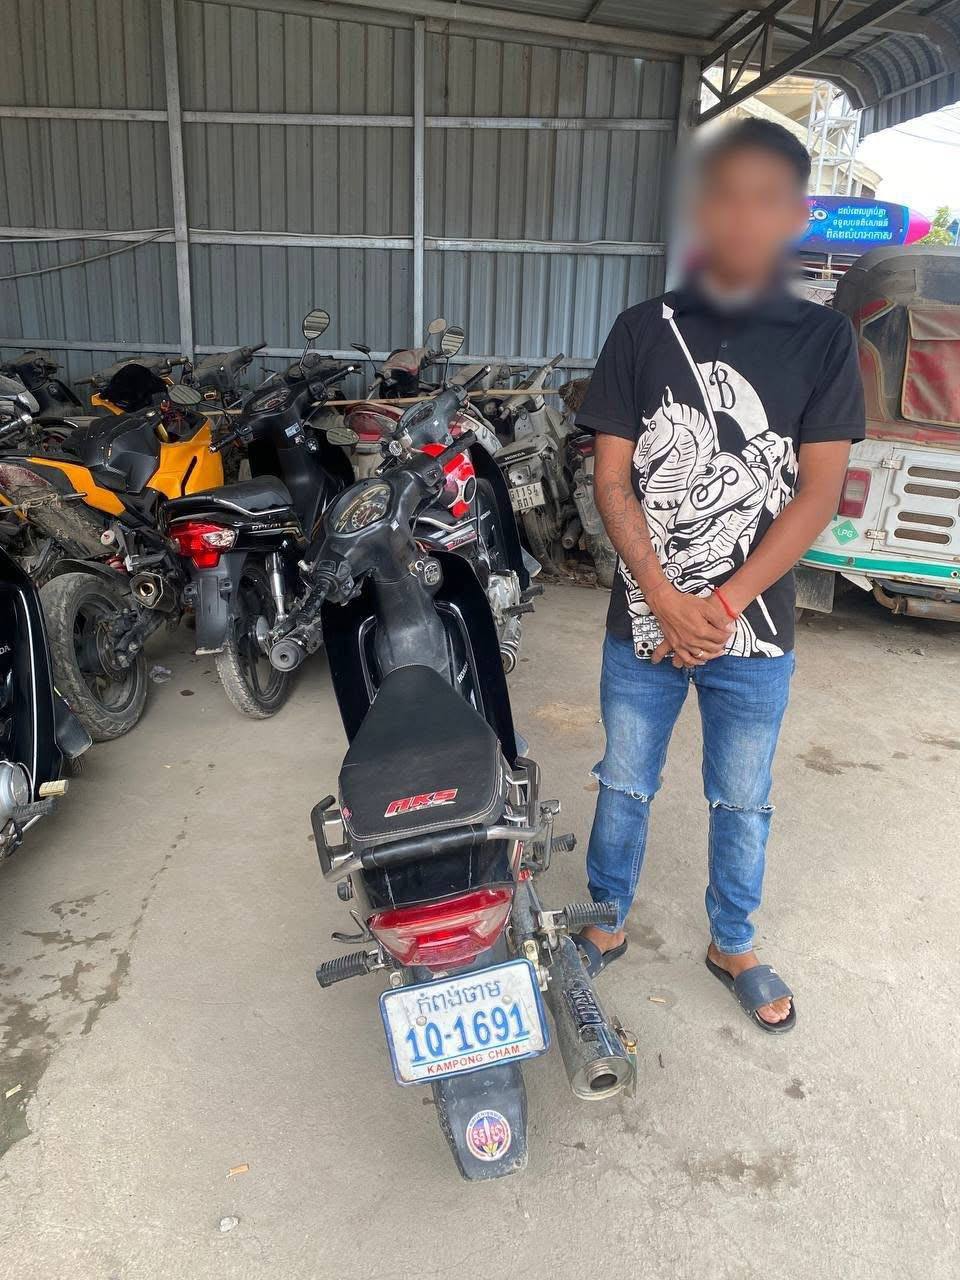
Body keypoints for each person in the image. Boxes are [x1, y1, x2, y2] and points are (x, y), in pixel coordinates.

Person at [574, 118, 865, 1032]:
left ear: (796, 214)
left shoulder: (824, 340)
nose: (744, 216)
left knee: (742, 797)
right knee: (625, 781)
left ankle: (732, 940)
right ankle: (605, 919)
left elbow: (817, 493)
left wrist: (724, 602)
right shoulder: (641, 330)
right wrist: (664, 598)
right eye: (725, 195)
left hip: (757, 631)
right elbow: (612, 478)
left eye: (765, 198)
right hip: (643, 620)